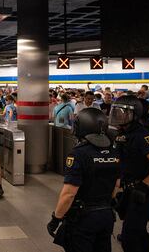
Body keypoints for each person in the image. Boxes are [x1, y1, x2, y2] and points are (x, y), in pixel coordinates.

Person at [47, 108, 121, 252]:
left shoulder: (78, 154)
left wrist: (56, 218)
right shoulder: (114, 153)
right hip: (106, 215)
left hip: (83, 219)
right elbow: (116, 185)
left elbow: (69, 193)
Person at [109, 95, 149, 252]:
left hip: (143, 192)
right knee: (139, 234)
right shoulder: (122, 134)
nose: (117, 115)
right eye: (116, 112)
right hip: (129, 190)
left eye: (122, 112)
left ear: (134, 114)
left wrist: (144, 186)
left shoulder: (142, 136)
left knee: (130, 237)